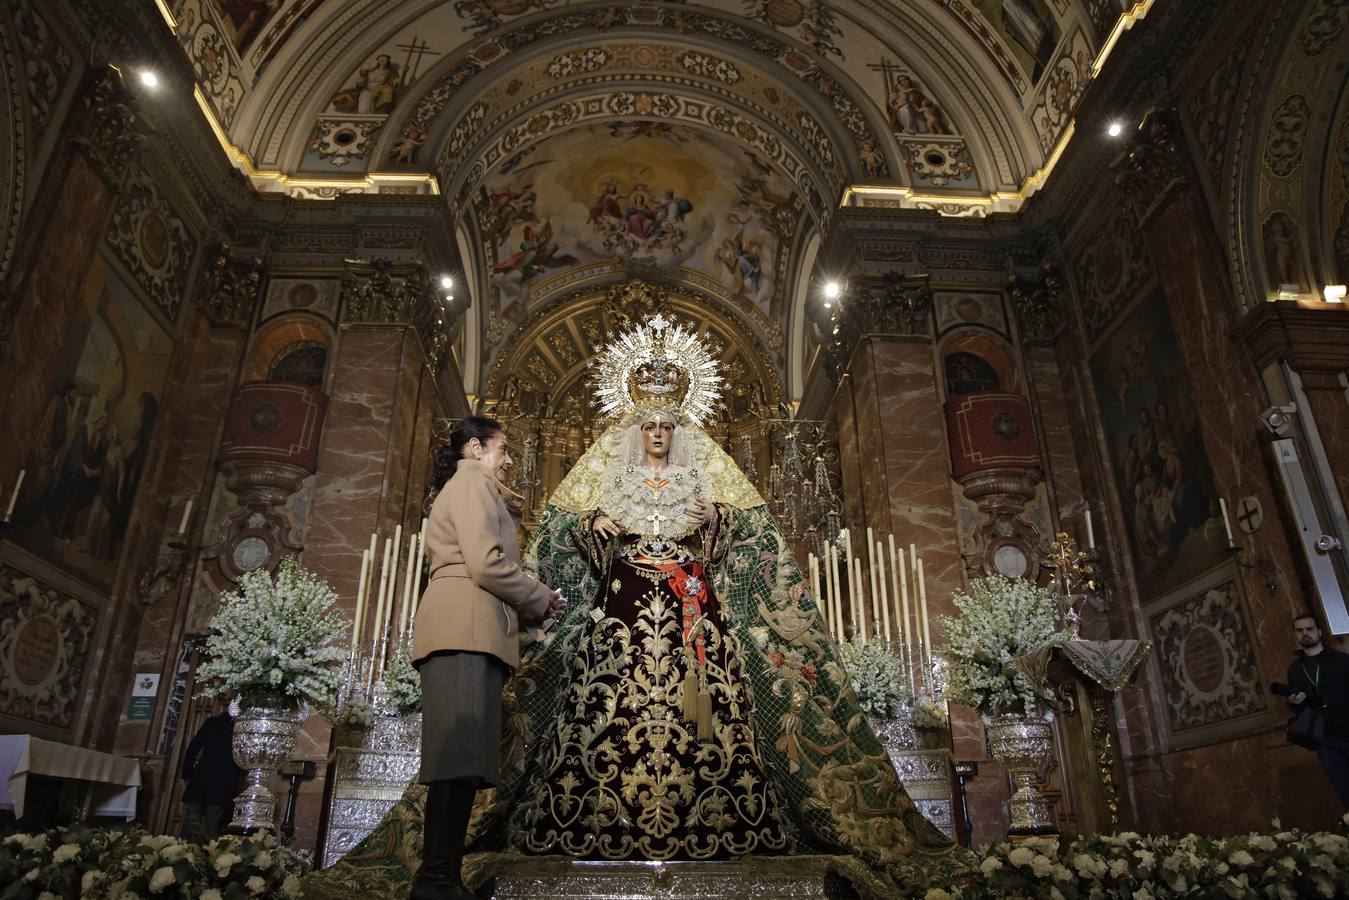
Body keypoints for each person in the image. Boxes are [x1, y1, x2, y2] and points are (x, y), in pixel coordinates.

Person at [409, 416, 564, 900]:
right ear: (475, 448)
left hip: (470, 629)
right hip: (463, 632)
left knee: (464, 761)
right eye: (503, 448)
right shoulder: (472, 483)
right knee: (456, 761)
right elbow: (484, 563)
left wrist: (526, 623)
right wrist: (539, 597)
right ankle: (435, 882)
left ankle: (442, 879)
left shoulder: (470, 486)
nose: (510, 458)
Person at [1288, 613, 1349, 806]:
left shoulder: (1341, 660)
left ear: (1319, 632)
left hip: (1348, 728)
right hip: (1324, 738)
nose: (1305, 633)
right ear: (1295, 635)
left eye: (1309, 629)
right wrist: (1294, 702)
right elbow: (1297, 706)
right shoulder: (1295, 670)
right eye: (1300, 630)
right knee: (1345, 789)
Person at [179, 712, 240, 841]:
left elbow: (193, 748)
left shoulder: (213, 722)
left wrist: (187, 774)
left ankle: (181, 855)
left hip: (201, 778)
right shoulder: (243, 725)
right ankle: (204, 857)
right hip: (224, 782)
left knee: (190, 823)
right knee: (210, 827)